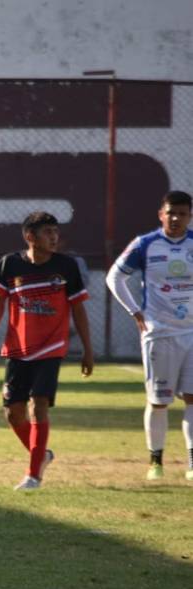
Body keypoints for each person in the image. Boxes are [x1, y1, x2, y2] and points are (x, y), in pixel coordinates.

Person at [0, 211, 94, 490]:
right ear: (30, 237)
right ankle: (43, 455)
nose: (54, 237)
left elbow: (78, 307)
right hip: (18, 349)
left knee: (38, 407)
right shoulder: (10, 264)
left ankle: (33, 476)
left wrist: (88, 349)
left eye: (55, 232)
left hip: (51, 348)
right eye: (47, 232)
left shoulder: (67, 266)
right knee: (13, 413)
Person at [105, 190, 193, 481]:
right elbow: (114, 277)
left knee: (192, 398)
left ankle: (192, 464)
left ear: (190, 216)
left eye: (182, 213)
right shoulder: (146, 244)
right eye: (171, 212)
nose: (176, 218)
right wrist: (134, 311)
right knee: (159, 400)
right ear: (161, 214)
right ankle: (156, 461)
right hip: (160, 333)